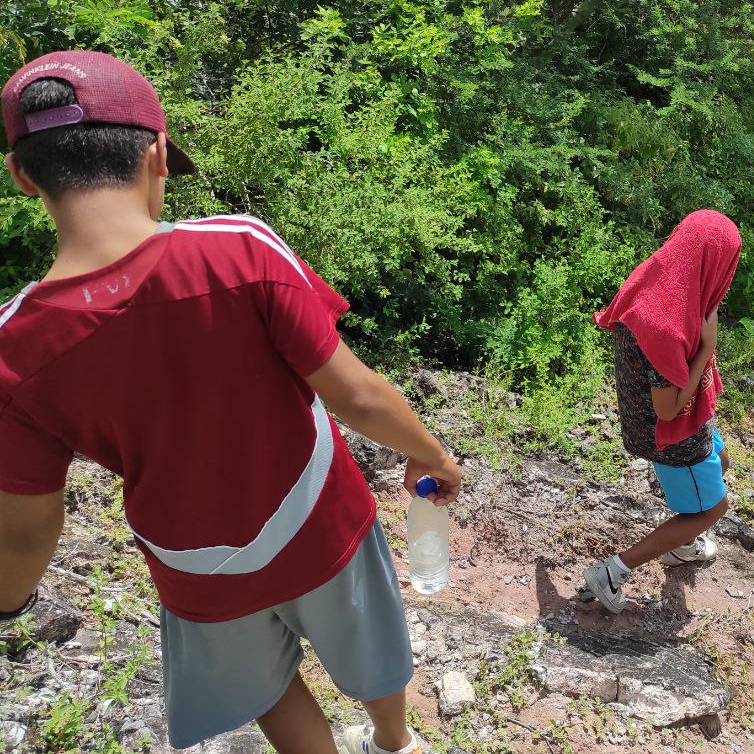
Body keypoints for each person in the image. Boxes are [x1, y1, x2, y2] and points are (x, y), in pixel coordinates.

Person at [0, 51, 462, 754]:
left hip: (195, 566)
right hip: (318, 522)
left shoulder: (15, 345)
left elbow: (29, 530)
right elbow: (356, 393)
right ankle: (394, 743)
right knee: (370, 646)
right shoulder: (236, 249)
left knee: (266, 687)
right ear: (157, 152)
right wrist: (431, 454)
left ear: (24, 176)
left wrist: (9, 605)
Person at [582, 209, 741, 612]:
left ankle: (681, 544)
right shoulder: (669, 324)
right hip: (669, 430)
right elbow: (668, 410)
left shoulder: (661, 280)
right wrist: (706, 347)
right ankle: (613, 571)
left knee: (719, 461)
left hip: (681, 414)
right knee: (712, 508)